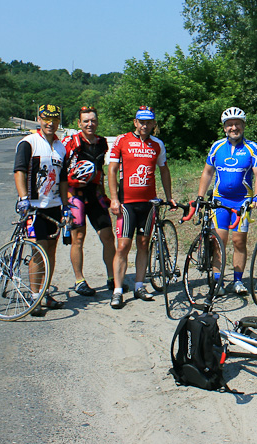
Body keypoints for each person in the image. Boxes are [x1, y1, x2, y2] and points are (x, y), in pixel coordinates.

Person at [106, 106, 176, 309]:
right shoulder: (122, 140)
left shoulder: (157, 144)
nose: (145, 125)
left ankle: (139, 285)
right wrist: (114, 199)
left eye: (149, 122)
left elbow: (164, 170)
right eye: (141, 122)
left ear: (154, 124)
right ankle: (117, 290)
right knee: (123, 246)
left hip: (148, 203)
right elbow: (112, 170)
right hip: (126, 202)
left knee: (143, 244)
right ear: (135, 122)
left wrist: (169, 197)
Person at [195, 106, 257, 296]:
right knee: (219, 241)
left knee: (239, 241)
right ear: (225, 128)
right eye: (230, 124)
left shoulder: (252, 148)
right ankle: (218, 281)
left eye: (237, 124)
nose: (234, 127)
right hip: (220, 201)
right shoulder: (217, 146)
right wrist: (200, 197)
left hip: (242, 202)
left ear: (243, 125)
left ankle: (238, 281)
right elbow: (207, 172)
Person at [13, 104, 67, 314]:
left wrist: (66, 205)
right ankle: (35, 296)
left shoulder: (61, 147)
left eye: (54, 119)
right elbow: (19, 171)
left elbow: (63, 179)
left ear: (58, 121)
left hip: (54, 206)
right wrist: (23, 198)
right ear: (39, 119)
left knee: (51, 251)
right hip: (34, 208)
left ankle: (44, 292)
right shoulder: (28, 143)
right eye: (46, 119)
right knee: (38, 250)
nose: (50, 123)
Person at [61, 106, 117, 297]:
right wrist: (64, 199)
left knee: (108, 236)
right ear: (79, 123)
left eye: (93, 120)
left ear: (97, 122)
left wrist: (105, 194)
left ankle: (112, 278)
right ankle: (79, 281)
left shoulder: (102, 143)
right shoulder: (71, 142)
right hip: (74, 194)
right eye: (86, 121)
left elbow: (100, 170)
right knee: (78, 238)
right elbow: (60, 168)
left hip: (95, 195)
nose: (90, 124)